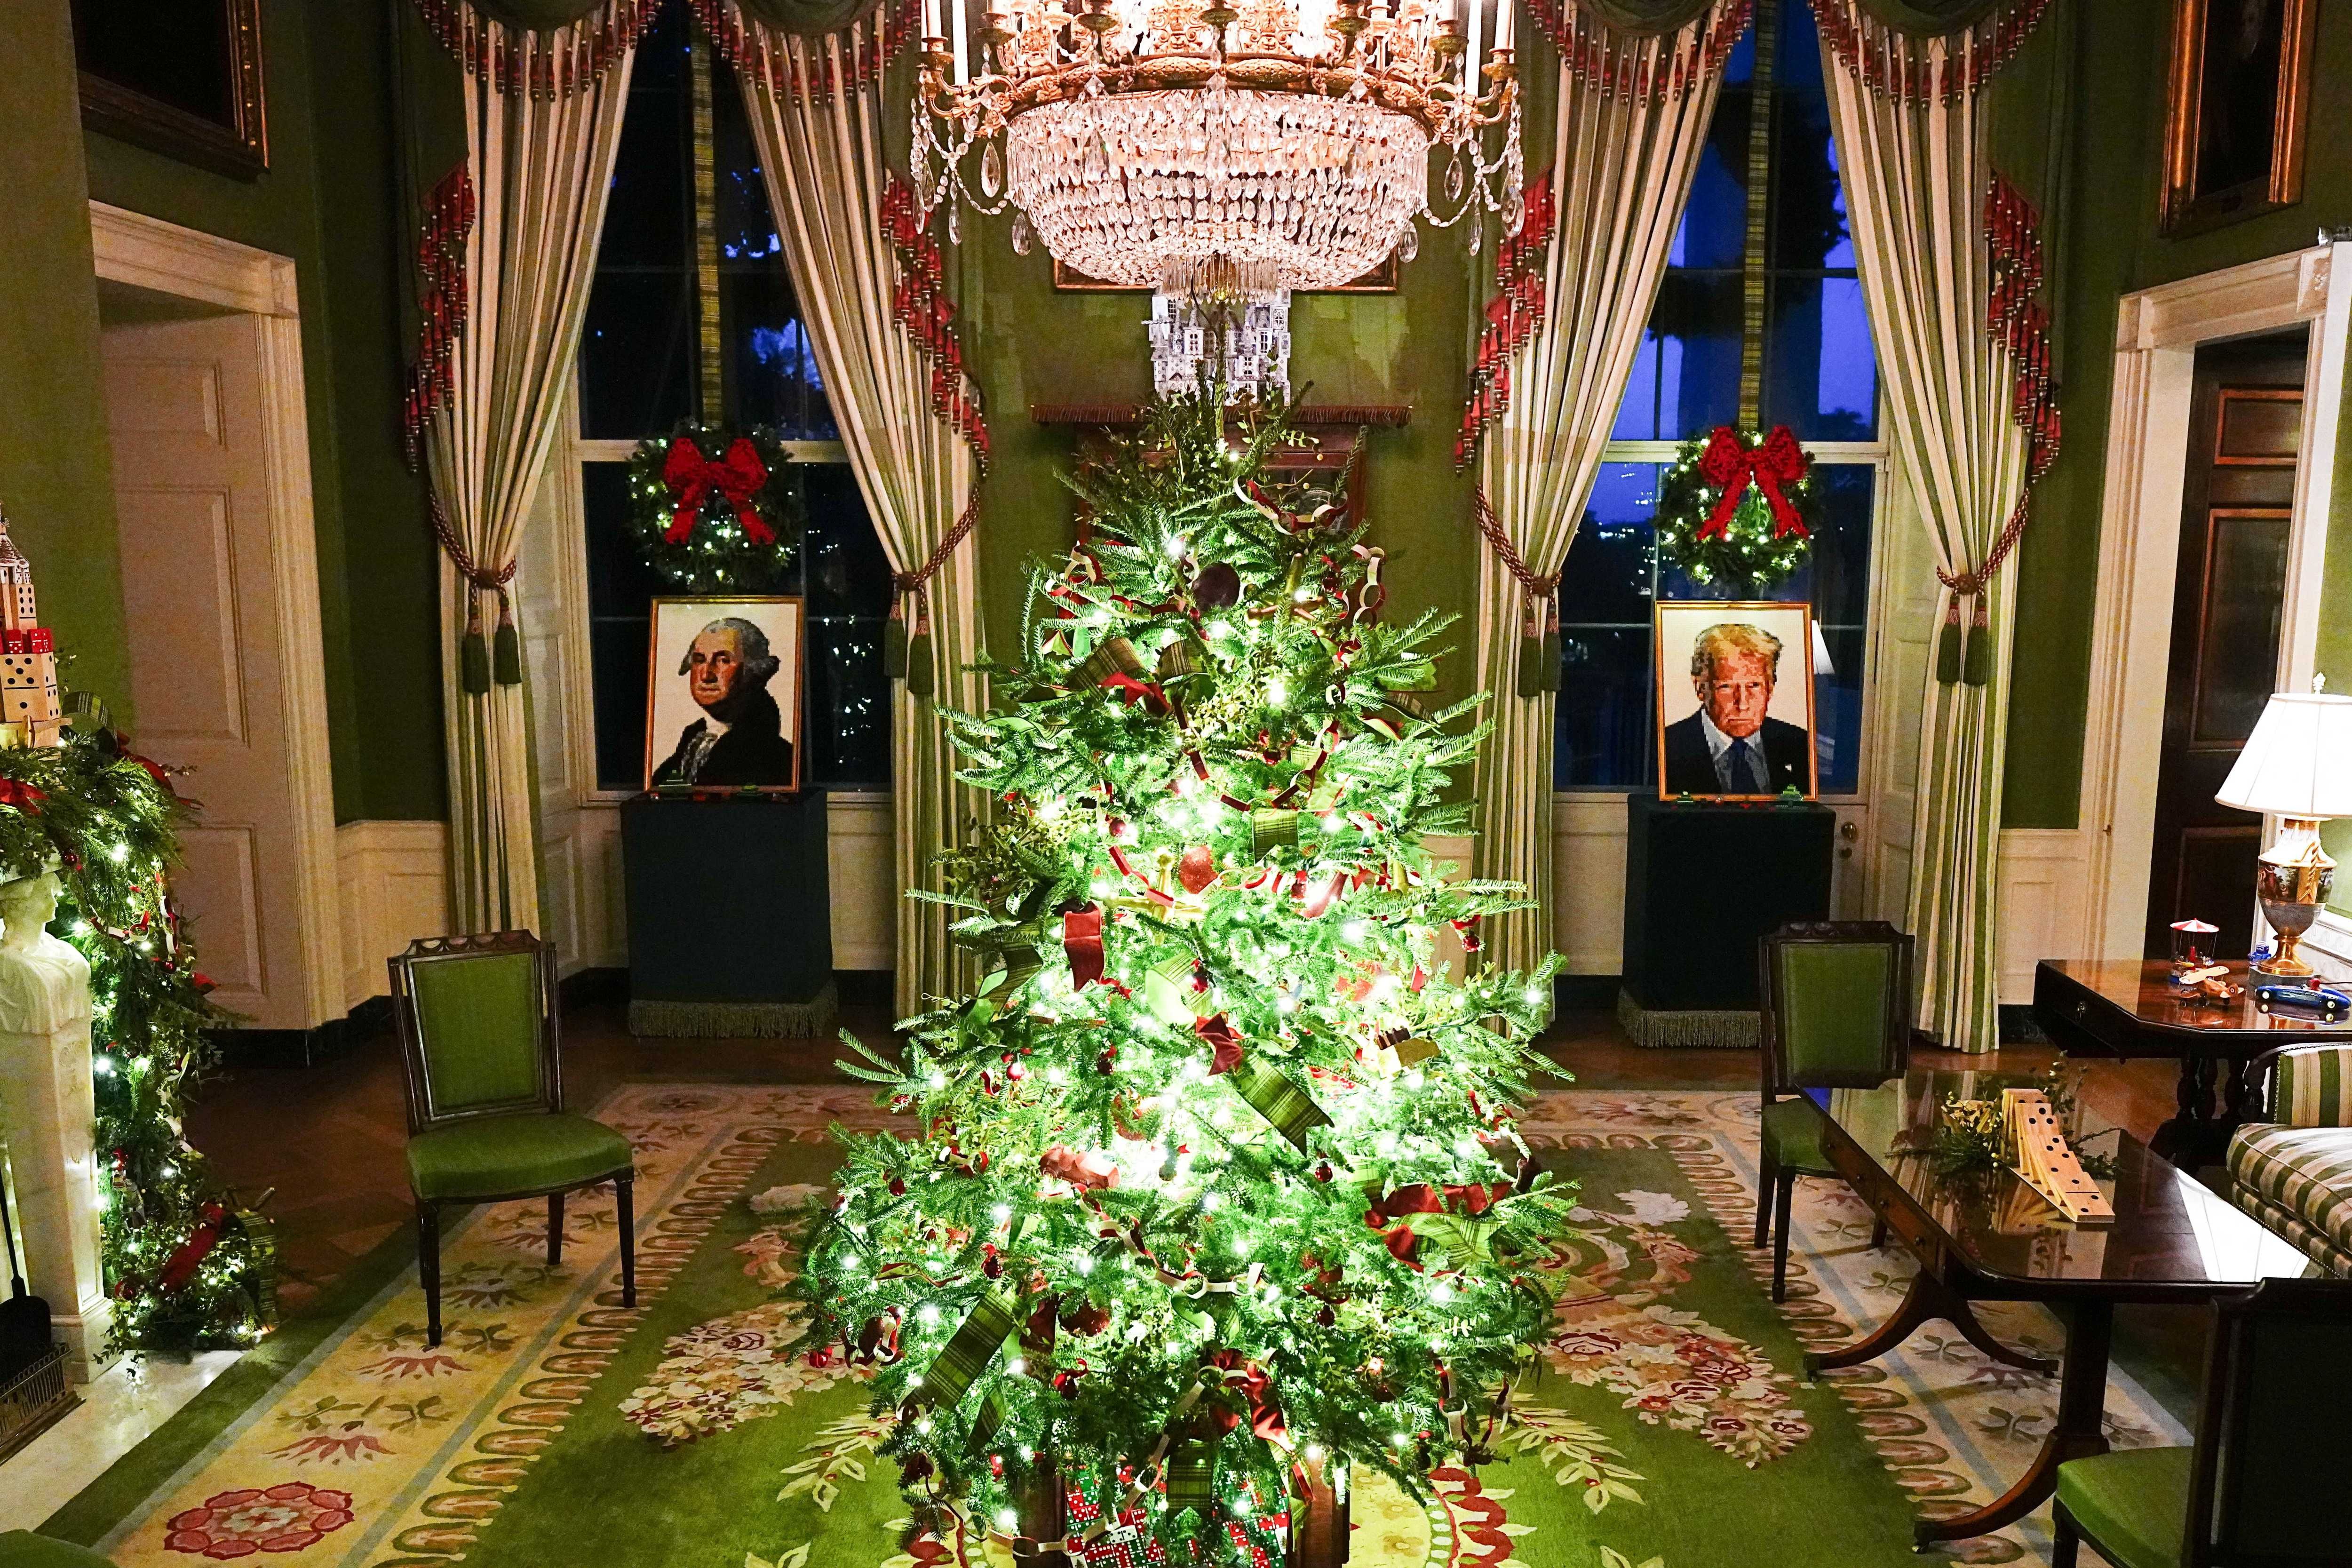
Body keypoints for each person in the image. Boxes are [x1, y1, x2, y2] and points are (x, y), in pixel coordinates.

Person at [1660, 622, 1811, 796]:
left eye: (1754, 686)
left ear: (1770, 688)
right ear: (1701, 687)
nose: (1743, 704)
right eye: (1726, 687)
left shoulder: (1800, 744)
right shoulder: (1667, 748)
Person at [651, 616, 795, 788]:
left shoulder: (776, 757)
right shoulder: (692, 741)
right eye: (699, 660)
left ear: (755, 670)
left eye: (723, 661)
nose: (706, 675)